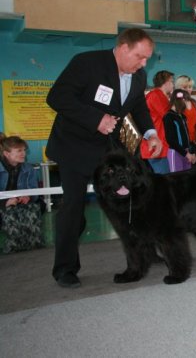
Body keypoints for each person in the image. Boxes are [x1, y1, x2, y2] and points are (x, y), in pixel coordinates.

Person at [46, 28, 162, 288]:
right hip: (73, 147)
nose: (144, 64)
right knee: (73, 208)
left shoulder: (139, 76)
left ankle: (146, 252)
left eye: (147, 59)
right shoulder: (87, 63)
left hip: (108, 150)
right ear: (123, 48)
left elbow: (138, 107)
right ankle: (65, 268)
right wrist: (95, 119)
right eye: (140, 57)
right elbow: (57, 97)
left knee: (136, 200)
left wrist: (151, 134)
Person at [0, 136, 45, 253]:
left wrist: (29, 196)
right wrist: (5, 202)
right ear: (6, 153)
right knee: (9, 214)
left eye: (24, 150)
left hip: (22, 203)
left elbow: (34, 189)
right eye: (19, 151)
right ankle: (13, 247)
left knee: (35, 207)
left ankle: (34, 244)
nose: (23, 154)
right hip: (3, 204)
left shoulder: (29, 169)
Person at [141, 70, 174, 174]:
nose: (173, 85)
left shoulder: (161, 96)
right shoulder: (155, 95)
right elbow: (169, 117)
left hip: (160, 146)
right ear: (166, 82)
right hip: (155, 147)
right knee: (164, 183)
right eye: (172, 81)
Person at [163, 89, 196, 172]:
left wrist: (192, 152)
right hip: (176, 152)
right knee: (177, 179)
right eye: (185, 101)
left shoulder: (182, 116)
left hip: (186, 152)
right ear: (179, 100)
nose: (187, 104)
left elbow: (187, 136)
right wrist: (186, 154)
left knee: (187, 179)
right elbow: (170, 140)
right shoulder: (169, 116)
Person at [174, 75, 196, 158]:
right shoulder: (175, 103)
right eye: (185, 87)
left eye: (190, 87)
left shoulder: (193, 102)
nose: (188, 89)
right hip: (180, 144)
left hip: (193, 143)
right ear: (178, 88)